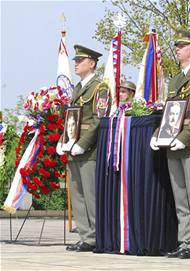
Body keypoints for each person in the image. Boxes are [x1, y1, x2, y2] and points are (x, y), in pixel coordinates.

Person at [150, 29, 190, 259]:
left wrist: (183, 138)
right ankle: (184, 240)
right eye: (177, 46)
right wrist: (159, 133)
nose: (177, 49)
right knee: (180, 197)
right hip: (173, 143)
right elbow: (169, 111)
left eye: (182, 46)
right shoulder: (176, 79)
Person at [56, 44, 109, 252]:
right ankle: (86, 237)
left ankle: (97, 236)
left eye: (80, 61)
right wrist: (64, 140)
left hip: (89, 149)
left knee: (90, 195)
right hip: (73, 146)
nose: (76, 64)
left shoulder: (100, 88)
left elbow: (99, 119)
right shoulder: (78, 88)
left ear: (92, 64)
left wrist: (83, 143)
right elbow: (71, 118)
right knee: (77, 195)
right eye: (76, 61)